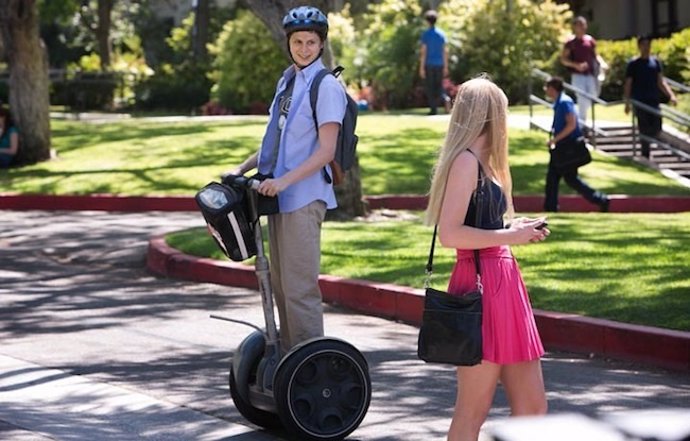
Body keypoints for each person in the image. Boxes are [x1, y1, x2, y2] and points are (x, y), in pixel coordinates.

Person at [426, 77, 548, 441]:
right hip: (483, 287)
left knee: (533, 408)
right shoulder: (465, 162)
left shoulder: (482, 162)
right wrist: (511, 235)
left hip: (504, 283)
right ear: (489, 115)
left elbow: (479, 223)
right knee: (472, 412)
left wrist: (514, 227)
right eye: (503, 112)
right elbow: (451, 235)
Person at [226, 6, 346, 352]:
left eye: (311, 42)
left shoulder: (325, 87)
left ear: (321, 45)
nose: (304, 48)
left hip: (303, 196)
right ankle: (289, 365)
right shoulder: (289, 81)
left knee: (299, 289)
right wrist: (241, 169)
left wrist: (285, 181)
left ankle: (310, 368)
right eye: (298, 41)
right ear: (288, 43)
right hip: (278, 197)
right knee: (279, 285)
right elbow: (274, 144)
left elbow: (326, 151)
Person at [544, 77, 609, 212]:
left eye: (547, 87)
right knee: (569, 179)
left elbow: (572, 124)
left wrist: (554, 140)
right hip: (563, 146)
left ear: (552, 88)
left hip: (566, 147)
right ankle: (600, 199)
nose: (545, 90)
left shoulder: (564, 102)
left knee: (554, 178)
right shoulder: (559, 102)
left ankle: (550, 207)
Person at [624, 35, 677, 159]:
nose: (646, 48)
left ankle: (649, 148)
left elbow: (661, 82)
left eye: (648, 45)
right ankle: (645, 154)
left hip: (653, 101)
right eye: (643, 45)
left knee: (657, 126)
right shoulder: (633, 64)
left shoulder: (655, 62)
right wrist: (627, 103)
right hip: (640, 101)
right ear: (639, 46)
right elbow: (628, 84)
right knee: (644, 127)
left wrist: (671, 95)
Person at [560, 16, 607, 124]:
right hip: (577, 75)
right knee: (582, 98)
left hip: (590, 74)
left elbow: (596, 55)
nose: (581, 27)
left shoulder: (590, 40)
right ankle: (582, 124)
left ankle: (578, 118)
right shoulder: (570, 42)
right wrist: (575, 65)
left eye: (582, 25)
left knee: (593, 95)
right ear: (574, 27)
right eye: (578, 25)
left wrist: (602, 63)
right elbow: (563, 59)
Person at [419, 9, 450, 115]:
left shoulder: (426, 35)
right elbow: (444, 51)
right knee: (439, 85)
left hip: (429, 64)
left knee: (430, 87)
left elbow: (424, 52)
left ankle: (433, 109)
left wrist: (421, 67)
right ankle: (445, 98)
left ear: (427, 21)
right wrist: (446, 66)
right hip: (440, 64)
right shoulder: (441, 34)